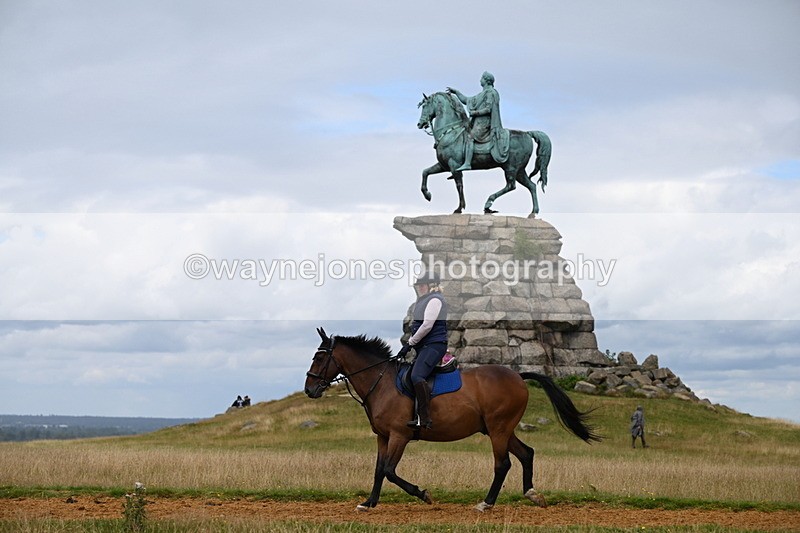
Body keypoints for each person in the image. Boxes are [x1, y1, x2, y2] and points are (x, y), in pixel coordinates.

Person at [398, 272, 448, 429]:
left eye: (423, 284)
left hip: (434, 345)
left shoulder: (435, 300)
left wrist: (410, 343)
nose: (419, 287)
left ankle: (424, 417)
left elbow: (427, 325)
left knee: (417, 375)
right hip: (425, 346)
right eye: (418, 285)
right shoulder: (424, 301)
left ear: (432, 285)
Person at [446, 71, 508, 171]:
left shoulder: (491, 93)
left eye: (482, 78)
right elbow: (466, 100)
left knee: (470, 137)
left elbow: (488, 109)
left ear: (486, 80)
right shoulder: (482, 94)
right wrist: (456, 92)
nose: (480, 80)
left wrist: (475, 113)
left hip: (485, 123)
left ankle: (467, 163)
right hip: (477, 123)